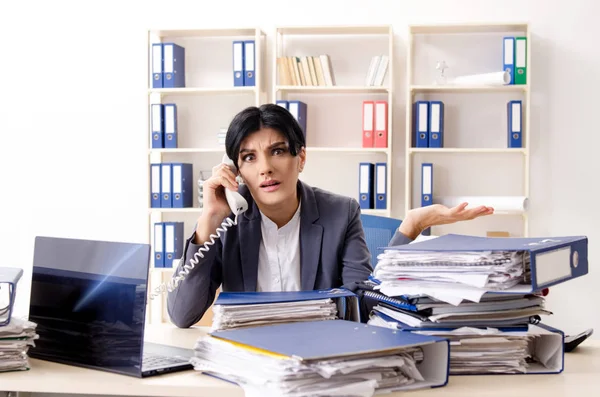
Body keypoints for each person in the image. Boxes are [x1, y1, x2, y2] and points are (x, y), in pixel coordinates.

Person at [166, 104, 494, 328]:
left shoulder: (341, 212)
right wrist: (209, 219)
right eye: (249, 157)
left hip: (318, 361)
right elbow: (182, 314)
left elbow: (365, 305)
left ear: (301, 157)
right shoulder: (229, 219)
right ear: (237, 170)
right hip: (248, 365)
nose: (265, 167)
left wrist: (412, 227)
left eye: (277, 151)